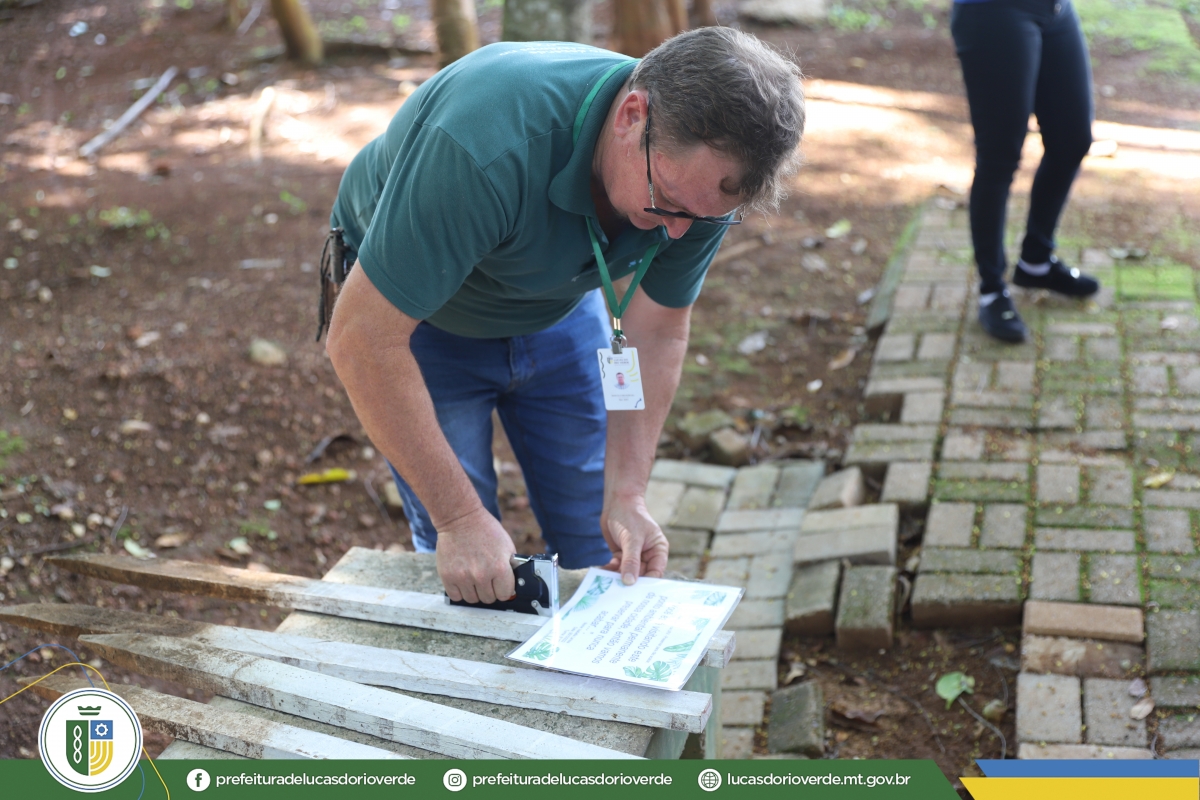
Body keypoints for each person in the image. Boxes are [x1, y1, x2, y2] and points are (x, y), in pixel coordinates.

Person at [323, 29, 805, 606]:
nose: (678, 232)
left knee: (598, 537)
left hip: (559, 304)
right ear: (631, 117)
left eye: (703, 218)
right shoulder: (484, 142)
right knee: (469, 559)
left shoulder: (698, 186)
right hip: (422, 318)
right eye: (669, 203)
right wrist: (457, 519)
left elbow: (656, 329)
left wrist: (628, 493)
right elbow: (362, 339)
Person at [951, 0, 1100, 343]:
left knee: (1072, 140)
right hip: (995, 12)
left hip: (1055, 10)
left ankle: (1036, 262)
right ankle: (991, 289)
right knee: (999, 156)